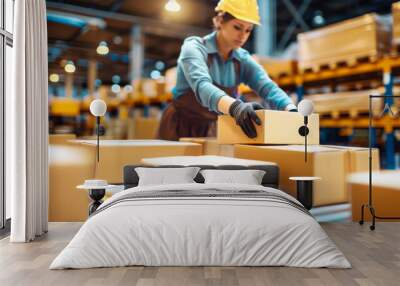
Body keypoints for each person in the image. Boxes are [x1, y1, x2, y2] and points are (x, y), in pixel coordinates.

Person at [158, 0, 297, 141]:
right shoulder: (194, 48)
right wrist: (236, 107)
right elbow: (202, 86)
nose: (243, 35)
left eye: (248, 30)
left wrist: (291, 109)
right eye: (237, 27)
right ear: (219, 21)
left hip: (210, 129)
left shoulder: (242, 59)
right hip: (178, 126)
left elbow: (268, 87)